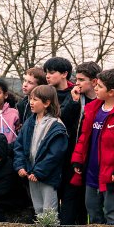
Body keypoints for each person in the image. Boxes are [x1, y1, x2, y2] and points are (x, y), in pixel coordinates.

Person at [71, 68, 114, 225]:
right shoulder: (92, 109)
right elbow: (84, 138)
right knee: (92, 209)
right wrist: (78, 160)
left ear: (111, 92)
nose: (95, 88)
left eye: (100, 86)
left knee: (111, 211)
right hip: (91, 172)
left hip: (111, 175)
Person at [13, 84, 69, 217]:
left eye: (35, 99)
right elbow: (19, 146)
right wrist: (20, 166)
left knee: (49, 210)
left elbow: (55, 154)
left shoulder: (56, 126)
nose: (31, 102)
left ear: (46, 103)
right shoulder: (29, 122)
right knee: (38, 208)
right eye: (30, 99)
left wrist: (39, 172)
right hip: (31, 173)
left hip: (47, 176)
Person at [59, 61, 101, 225]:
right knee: (70, 194)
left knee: (88, 196)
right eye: (76, 79)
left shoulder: (103, 100)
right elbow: (62, 119)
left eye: (82, 80)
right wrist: (73, 101)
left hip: (95, 155)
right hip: (74, 154)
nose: (77, 83)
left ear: (94, 81)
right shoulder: (74, 97)